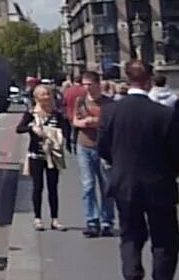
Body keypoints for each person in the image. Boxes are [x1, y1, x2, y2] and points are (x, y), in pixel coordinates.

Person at [98, 60, 179, 280]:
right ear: (149, 81)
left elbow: (103, 147)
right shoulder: (164, 114)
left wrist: (119, 164)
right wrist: (169, 172)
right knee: (165, 240)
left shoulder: (110, 112)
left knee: (130, 236)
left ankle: (132, 275)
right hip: (159, 184)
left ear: (127, 80)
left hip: (125, 184)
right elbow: (178, 152)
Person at [16, 84, 68, 231]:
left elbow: (65, 129)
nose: (47, 97)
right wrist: (31, 128)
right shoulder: (31, 114)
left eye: (48, 94)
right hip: (36, 155)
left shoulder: (57, 115)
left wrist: (60, 136)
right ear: (37, 97)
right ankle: (38, 218)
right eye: (43, 94)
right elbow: (19, 129)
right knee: (37, 187)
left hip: (53, 155)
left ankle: (55, 219)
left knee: (53, 187)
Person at [72, 70, 115, 237]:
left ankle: (107, 222)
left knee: (106, 186)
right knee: (88, 185)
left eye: (90, 84)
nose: (87, 88)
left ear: (98, 84)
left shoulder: (108, 103)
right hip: (84, 146)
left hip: (104, 148)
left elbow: (111, 122)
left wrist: (95, 121)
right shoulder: (80, 101)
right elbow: (75, 120)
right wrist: (83, 122)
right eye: (85, 84)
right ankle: (92, 221)